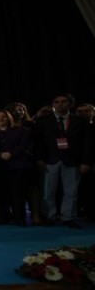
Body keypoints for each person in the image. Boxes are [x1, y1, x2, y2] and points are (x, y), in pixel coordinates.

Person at [33, 94, 92, 228]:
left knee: (71, 192)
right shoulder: (43, 120)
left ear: (70, 104)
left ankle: (68, 217)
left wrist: (85, 162)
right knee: (48, 191)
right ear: (53, 105)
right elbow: (38, 141)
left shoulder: (80, 120)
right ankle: (49, 216)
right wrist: (39, 158)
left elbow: (87, 143)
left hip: (73, 160)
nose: (60, 104)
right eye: (57, 102)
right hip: (49, 160)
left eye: (64, 101)